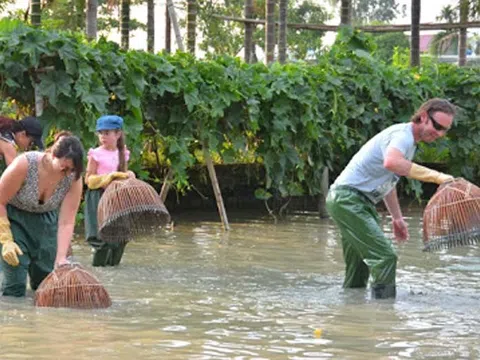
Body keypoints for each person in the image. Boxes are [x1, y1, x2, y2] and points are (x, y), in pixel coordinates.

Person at [326, 98, 456, 299]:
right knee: (385, 257)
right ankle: (385, 315)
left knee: (359, 267)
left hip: (354, 201)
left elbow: (388, 182)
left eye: (444, 130)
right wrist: (438, 177)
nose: (439, 134)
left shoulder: (409, 143)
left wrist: (397, 218)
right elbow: (392, 163)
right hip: (348, 200)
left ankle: (351, 311)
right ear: (422, 117)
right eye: (437, 126)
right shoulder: (402, 136)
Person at [0, 135, 84, 297]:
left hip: (46, 222)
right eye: (64, 168)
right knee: (15, 283)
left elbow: (66, 221)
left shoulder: (73, 178)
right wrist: (6, 239)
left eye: (72, 170)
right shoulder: (25, 164)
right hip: (14, 219)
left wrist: (61, 259)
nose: (67, 174)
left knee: (45, 283)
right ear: (52, 155)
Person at [84, 115, 133, 267]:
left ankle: (113, 272)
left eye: (107, 133)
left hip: (117, 197)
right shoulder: (96, 154)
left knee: (121, 238)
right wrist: (107, 178)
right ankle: (99, 272)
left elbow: (123, 174)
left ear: (117, 134)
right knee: (102, 239)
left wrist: (130, 175)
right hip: (98, 197)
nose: (103, 137)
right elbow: (88, 179)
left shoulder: (123, 153)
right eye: (100, 133)